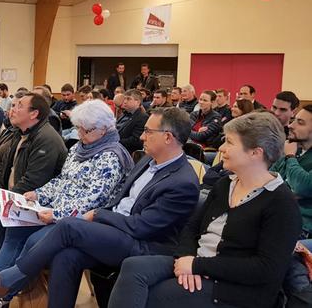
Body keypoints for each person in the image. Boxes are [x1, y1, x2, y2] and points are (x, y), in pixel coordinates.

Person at [0, 107, 200, 308]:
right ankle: (3, 287)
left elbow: (142, 226)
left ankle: (2, 283)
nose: (142, 136)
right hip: (117, 228)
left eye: (148, 131)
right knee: (66, 255)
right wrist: (40, 196)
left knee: (68, 227)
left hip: (143, 244)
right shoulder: (148, 160)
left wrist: (98, 215)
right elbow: (72, 184)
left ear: (168, 137)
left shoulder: (181, 182)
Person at [109, 112, 300, 308]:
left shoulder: (281, 203)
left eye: (230, 143)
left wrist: (197, 266)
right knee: (133, 266)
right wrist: (186, 258)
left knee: (154, 295)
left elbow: (266, 269)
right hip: (198, 262)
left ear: (255, 153)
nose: (222, 148)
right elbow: (192, 228)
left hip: (235, 287)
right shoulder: (226, 184)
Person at [0, 100, 134, 274]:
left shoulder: (111, 157)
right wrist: (38, 195)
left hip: (80, 220)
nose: (80, 134)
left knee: (33, 240)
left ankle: (4, 288)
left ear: (103, 129)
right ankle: (0, 284)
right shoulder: (80, 148)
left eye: (85, 130)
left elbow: (94, 200)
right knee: (7, 225)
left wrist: (56, 215)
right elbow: (62, 179)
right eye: (78, 128)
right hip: (55, 208)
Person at [0, 93, 67, 277]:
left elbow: (33, 183)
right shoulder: (19, 133)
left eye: (19, 106)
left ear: (34, 114)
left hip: (37, 202)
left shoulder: (46, 139)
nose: (12, 109)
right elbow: (2, 169)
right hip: (11, 194)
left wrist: (1, 205)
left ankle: (4, 275)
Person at [273, 105, 312, 306]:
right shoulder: (295, 150)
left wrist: (289, 158)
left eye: (300, 122)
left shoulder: (291, 153)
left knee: (282, 252)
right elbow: (269, 176)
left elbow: (303, 186)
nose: (291, 124)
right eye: (294, 119)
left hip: (304, 227)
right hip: (279, 215)